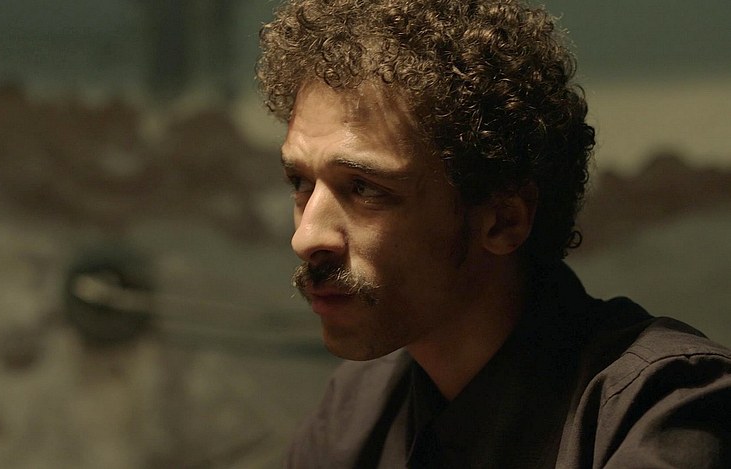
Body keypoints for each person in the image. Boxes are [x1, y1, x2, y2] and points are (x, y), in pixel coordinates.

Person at [256, 0, 731, 467]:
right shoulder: (356, 410)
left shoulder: (661, 406)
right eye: (300, 182)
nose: (306, 237)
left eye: (364, 188)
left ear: (503, 220)